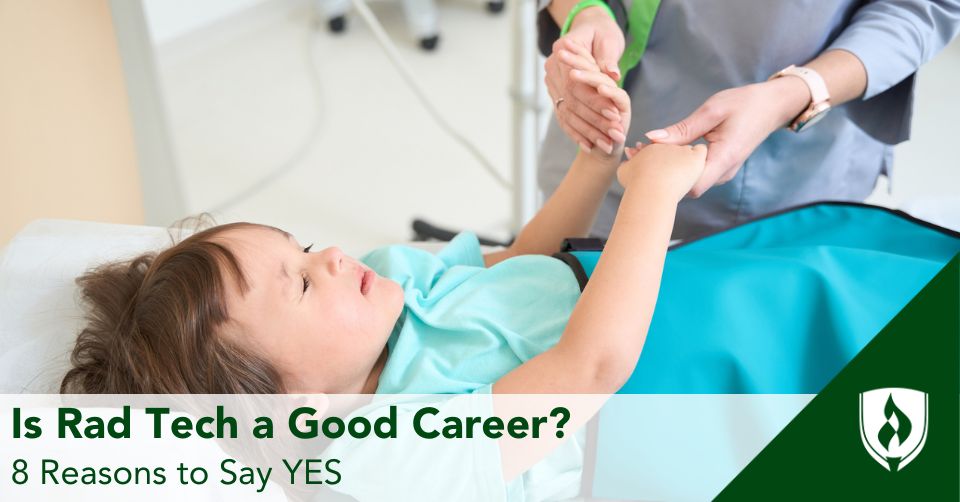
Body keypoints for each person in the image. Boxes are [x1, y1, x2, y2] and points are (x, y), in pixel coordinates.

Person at [60, 58, 706, 490]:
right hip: (683, 402)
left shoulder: (382, 291)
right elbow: (589, 369)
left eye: (305, 247)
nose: (335, 256)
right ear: (298, 405)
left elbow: (517, 269)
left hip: (678, 297)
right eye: (305, 284)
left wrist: (592, 165)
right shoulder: (380, 456)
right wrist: (653, 194)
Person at [538, 0, 960, 240]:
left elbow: (917, 8)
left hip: (790, 182)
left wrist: (795, 93)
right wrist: (584, 11)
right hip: (593, 185)